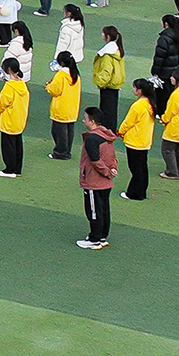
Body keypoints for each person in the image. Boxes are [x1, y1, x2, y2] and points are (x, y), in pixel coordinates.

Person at [77, 106, 117, 249]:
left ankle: (94, 239)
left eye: (85, 118)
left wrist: (106, 171)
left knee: (94, 211)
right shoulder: (107, 135)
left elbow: (95, 160)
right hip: (106, 183)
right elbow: (112, 156)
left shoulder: (92, 139)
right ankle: (102, 236)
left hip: (94, 181)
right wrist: (112, 169)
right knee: (104, 209)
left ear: (92, 122)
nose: (83, 121)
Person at [0, 57, 29, 178]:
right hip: (19, 120)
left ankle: (10, 169)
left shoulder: (9, 87)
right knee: (18, 144)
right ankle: (17, 168)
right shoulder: (23, 85)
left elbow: (2, 103)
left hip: (9, 120)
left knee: (8, 146)